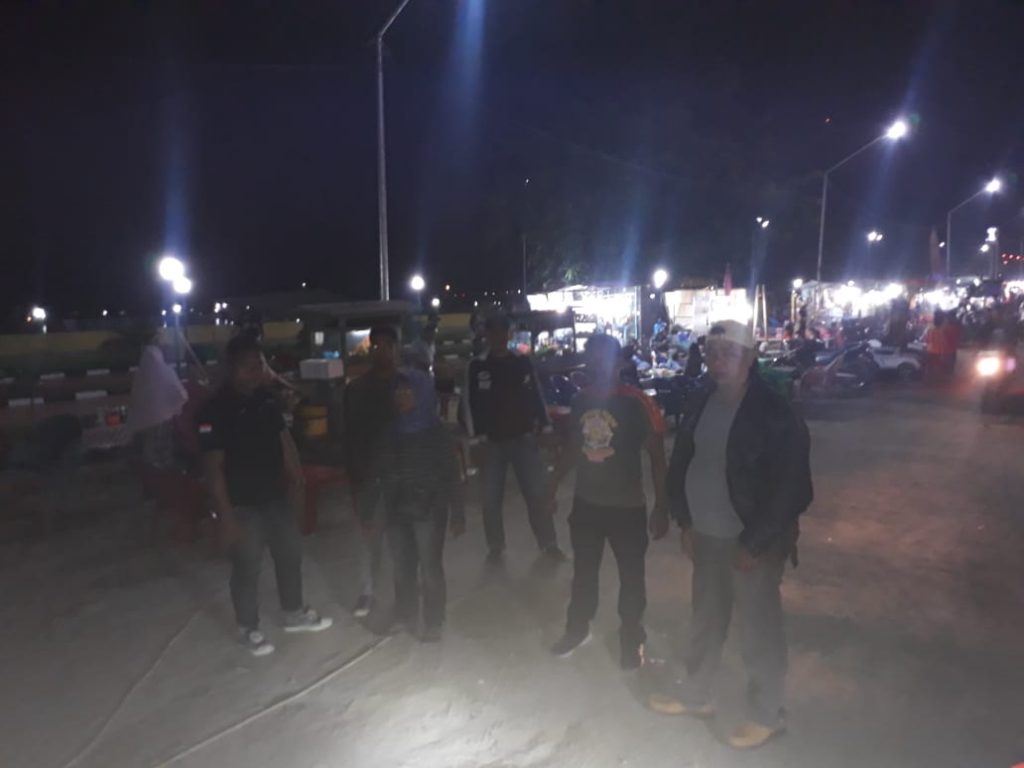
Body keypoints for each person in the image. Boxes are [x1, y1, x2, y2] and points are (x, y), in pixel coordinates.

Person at [649, 320, 812, 750]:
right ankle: (696, 694)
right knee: (705, 619)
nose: (718, 360)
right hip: (706, 535)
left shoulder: (774, 411)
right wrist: (685, 521)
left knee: (758, 630)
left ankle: (768, 713)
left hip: (749, 543)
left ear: (750, 358)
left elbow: (793, 487)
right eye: (712, 352)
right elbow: (684, 461)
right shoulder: (701, 399)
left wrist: (754, 543)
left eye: (729, 353)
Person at [199, 333, 332, 656]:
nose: (254, 372)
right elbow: (213, 468)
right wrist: (225, 516)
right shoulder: (215, 410)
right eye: (246, 366)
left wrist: (298, 480)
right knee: (247, 565)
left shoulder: (267, 400)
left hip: (275, 496)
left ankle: (293, 612)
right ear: (231, 369)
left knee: (290, 554)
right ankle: (248, 627)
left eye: (258, 365)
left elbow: (284, 441)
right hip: (241, 503)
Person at [549, 334, 669, 670]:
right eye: (591, 358)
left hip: (627, 508)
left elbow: (658, 458)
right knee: (583, 572)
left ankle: (632, 638)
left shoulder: (638, 402)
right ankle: (577, 629)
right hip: (587, 504)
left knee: (631, 578)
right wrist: (551, 485)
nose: (596, 364)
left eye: (603, 358)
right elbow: (574, 447)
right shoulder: (580, 400)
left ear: (618, 363)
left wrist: (662, 506)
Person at [464, 314, 564, 562]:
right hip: (491, 443)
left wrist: (546, 427)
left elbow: (536, 395)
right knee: (490, 500)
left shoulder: (521, 362)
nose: (499, 337)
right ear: (487, 335)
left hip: (523, 438)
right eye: (494, 332)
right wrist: (475, 439)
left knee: (536, 494)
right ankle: (495, 547)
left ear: (508, 335)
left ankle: (549, 544)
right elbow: (469, 403)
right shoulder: (477, 366)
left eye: (503, 332)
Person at [384, 364, 466, 641]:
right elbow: (382, 469)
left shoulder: (437, 432)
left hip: (429, 510)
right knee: (401, 567)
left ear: (421, 394)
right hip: (397, 508)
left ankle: (434, 621)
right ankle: (405, 614)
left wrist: (458, 515)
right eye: (398, 391)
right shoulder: (392, 430)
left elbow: (452, 475)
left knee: (429, 568)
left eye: (408, 391)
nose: (401, 396)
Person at [343, 325, 401, 619]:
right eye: (376, 346)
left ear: (396, 349)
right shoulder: (356, 390)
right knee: (370, 537)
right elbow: (351, 440)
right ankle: (368, 592)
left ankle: (407, 587)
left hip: (405, 475)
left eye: (388, 345)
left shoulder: (410, 384)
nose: (382, 351)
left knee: (406, 536)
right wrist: (356, 483)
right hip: (371, 477)